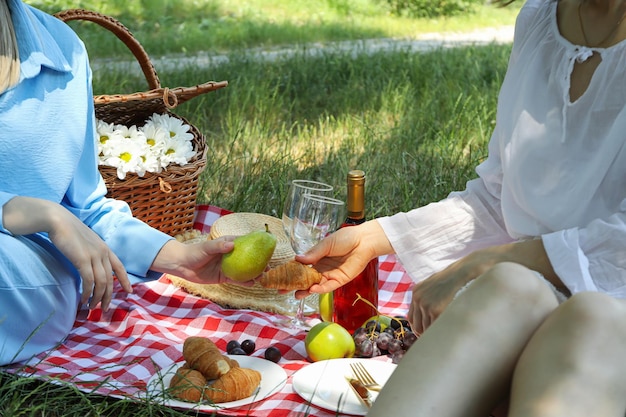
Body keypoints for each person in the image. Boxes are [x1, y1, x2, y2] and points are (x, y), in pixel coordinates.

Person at [297, 0, 626, 415]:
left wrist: (481, 264)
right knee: (511, 285)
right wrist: (375, 237)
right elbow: (500, 198)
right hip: (530, 294)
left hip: (613, 312)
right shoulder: (540, 19)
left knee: (591, 316)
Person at [0, 0, 239, 366]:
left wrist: (179, 258)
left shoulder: (63, 51)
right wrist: (16, 209)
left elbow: (86, 207)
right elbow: (55, 216)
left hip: (27, 289)